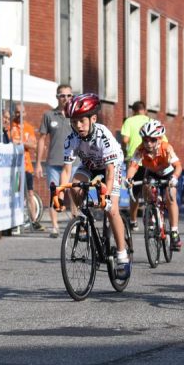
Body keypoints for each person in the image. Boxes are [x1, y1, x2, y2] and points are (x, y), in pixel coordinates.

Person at [55, 93, 130, 276]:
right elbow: (66, 171)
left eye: (82, 121)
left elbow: (111, 174)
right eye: (74, 121)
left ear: (93, 118)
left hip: (109, 168)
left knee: (111, 210)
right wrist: (59, 194)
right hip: (89, 165)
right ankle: (84, 216)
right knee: (75, 184)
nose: (78, 125)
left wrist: (107, 196)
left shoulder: (103, 136)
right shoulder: (71, 138)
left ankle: (122, 255)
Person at [123, 119, 183, 251]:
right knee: (146, 187)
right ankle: (151, 211)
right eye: (145, 140)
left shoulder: (166, 148)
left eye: (152, 140)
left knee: (170, 197)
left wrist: (175, 177)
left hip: (168, 173)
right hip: (152, 173)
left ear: (159, 139)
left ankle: (174, 232)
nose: (148, 143)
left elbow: (178, 166)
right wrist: (128, 178)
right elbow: (133, 166)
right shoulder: (140, 149)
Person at [37, 85, 76, 236]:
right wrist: (38, 163)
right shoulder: (49, 115)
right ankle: (55, 226)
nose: (65, 98)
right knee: (54, 193)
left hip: (73, 162)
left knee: (74, 194)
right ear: (57, 97)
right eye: (62, 95)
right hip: (53, 162)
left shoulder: (76, 116)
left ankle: (74, 224)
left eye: (68, 95)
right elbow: (41, 139)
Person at [8, 106, 41, 230]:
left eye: (21, 112)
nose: (19, 114)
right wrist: (23, 143)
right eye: (16, 112)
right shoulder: (10, 126)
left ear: (25, 113)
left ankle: (34, 220)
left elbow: (33, 145)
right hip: (14, 167)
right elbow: (10, 142)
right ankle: (15, 221)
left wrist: (21, 143)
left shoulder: (29, 127)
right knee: (16, 194)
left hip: (27, 166)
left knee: (30, 194)